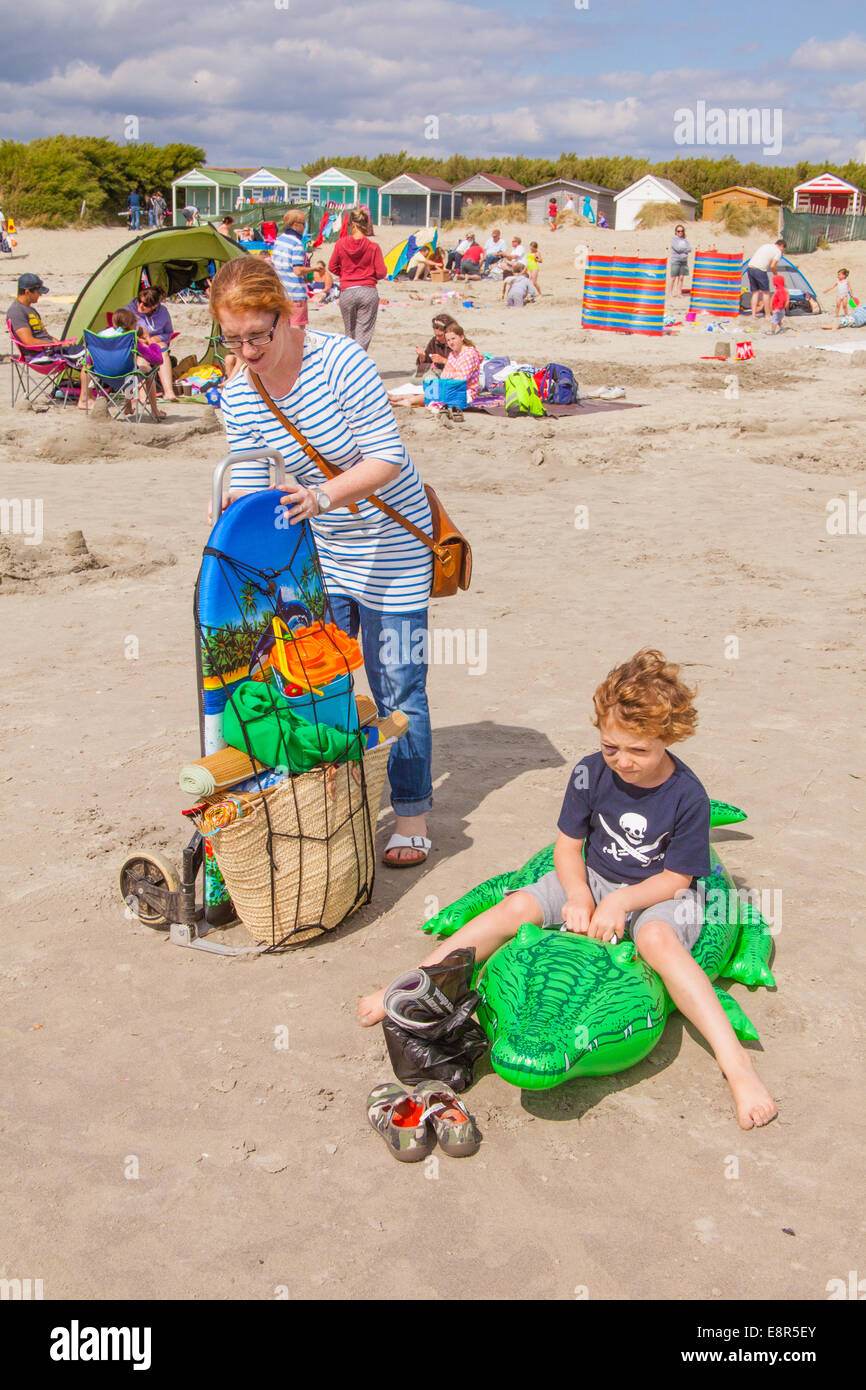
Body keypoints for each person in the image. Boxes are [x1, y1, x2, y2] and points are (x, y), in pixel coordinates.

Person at [357, 648, 778, 1132]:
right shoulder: (588, 772)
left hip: (659, 893)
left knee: (658, 942)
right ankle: (411, 986)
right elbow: (566, 848)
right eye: (610, 746)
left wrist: (621, 901)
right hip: (591, 875)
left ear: (670, 735)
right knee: (514, 905)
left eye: (638, 750)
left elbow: (677, 879)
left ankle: (738, 1068)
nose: (622, 761)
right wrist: (579, 894)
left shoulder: (688, 795)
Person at [210, 255, 436, 867]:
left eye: (259, 334)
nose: (249, 349)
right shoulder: (238, 394)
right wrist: (236, 515)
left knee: (399, 689)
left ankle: (412, 813)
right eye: (234, 339)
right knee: (312, 682)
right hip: (325, 552)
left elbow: (387, 459)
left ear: (286, 316)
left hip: (393, 547)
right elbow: (257, 483)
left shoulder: (341, 362)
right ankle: (335, 803)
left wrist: (322, 496)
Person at [83, 307, 163, 419]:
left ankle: (128, 406)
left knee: (130, 367)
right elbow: (157, 360)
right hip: (125, 375)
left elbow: (88, 361)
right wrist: (150, 342)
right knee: (145, 370)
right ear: (131, 325)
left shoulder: (101, 335)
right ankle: (155, 411)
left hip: (102, 376)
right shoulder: (130, 339)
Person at [328, 209, 387, 350]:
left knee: (350, 333)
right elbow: (381, 272)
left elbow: (332, 266)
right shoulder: (373, 247)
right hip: (367, 290)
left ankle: (349, 363)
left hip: (347, 291)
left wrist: (345, 275)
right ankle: (358, 362)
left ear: (351, 225)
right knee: (363, 333)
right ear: (366, 225)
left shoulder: (341, 244)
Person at [7, 273, 87, 371]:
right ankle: (88, 385)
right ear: (27, 292)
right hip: (40, 355)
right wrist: (58, 345)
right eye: (38, 292)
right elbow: (29, 342)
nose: (40, 294)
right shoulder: (16, 311)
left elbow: (45, 336)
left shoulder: (30, 310)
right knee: (88, 356)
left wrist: (61, 343)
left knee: (89, 351)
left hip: (51, 350)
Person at [124, 286, 179, 402]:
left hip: (155, 344)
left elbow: (168, 333)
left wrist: (157, 338)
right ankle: (143, 395)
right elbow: (123, 332)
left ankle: (169, 392)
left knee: (162, 350)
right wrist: (141, 339)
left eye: (145, 305)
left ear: (154, 306)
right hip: (137, 344)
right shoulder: (129, 310)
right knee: (142, 358)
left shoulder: (162, 312)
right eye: (139, 301)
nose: (140, 306)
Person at [272, 208, 311, 327]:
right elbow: (298, 270)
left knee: (283, 330)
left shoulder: (279, 240)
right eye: (303, 224)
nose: (304, 227)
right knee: (298, 332)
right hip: (296, 293)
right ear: (295, 224)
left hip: (282, 293)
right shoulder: (297, 243)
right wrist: (314, 269)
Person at [440, 322, 482, 399]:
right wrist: (456, 373)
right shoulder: (452, 355)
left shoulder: (469, 353)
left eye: (453, 338)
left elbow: (462, 379)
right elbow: (443, 376)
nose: (451, 342)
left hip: (468, 392)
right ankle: (411, 400)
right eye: (448, 340)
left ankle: (411, 401)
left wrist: (451, 372)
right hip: (452, 388)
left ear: (461, 337)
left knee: (436, 395)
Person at [747, 237, 786, 319]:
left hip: (750, 268)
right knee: (766, 293)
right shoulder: (778, 251)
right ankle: (767, 315)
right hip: (760, 270)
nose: (782, 252)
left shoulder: (766, 245)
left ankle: (753, 315)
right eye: (783, 249)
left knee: (755, 292)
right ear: (782, 246)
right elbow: (773, 265)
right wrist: (776, 275)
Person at [669, 223, 692, 298]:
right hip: (676, 260)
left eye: (681, 231)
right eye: (678, 231)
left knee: (681, 278)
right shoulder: (673, 239)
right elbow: (677, 249)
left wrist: (684, 250)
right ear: (676, 232)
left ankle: (679, 293)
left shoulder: (685, 240)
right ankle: (670, 293)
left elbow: (689, 249)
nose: (680, 232)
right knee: (673, 278)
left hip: (684, 261)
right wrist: (685, 250)